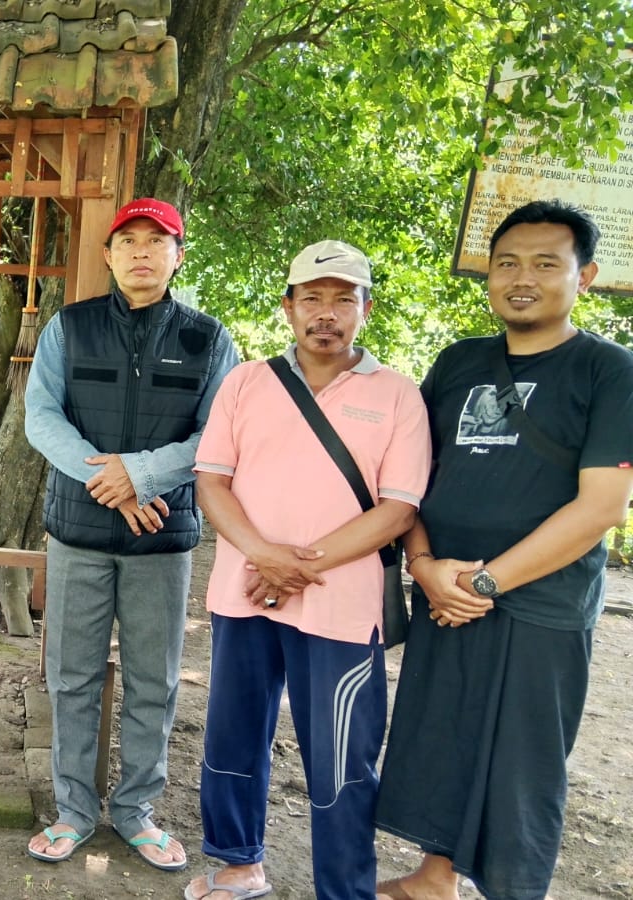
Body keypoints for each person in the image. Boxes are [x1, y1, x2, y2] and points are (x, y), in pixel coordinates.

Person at [374, 200, 633, 900]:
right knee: (443, 736)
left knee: (523, 762)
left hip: (540, 601)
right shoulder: (460, 362)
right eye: (508, 263)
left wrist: (482, 585)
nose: (523, 278)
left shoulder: (609, 370)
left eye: (547, 264)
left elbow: (602, 507)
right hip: (444, 589)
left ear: (585, 277)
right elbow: (410, 477)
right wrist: (426, 568)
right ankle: (435, 878)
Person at [184, 242, 431, 900]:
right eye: (312, 299)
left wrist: (294, 565)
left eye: (343, 299)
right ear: (288, 307)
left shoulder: (398, 395)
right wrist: (262, 555)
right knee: (234, 732)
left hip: (342, 606)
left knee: (341, 756)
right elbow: (211, 481)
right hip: (244, 593)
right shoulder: (247, 382)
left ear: (365, 309)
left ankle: (344, 889)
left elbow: (399, 508)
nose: (327, 313)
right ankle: (237, 863)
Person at [23, 198, 239, 868]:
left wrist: (141, 476)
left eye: (157, 240)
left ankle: (136, 810)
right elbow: (41, 416)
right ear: (109, 255)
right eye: (128, 241)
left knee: (155, 680)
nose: (141, 252)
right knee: (71, 677)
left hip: (161, 539)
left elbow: (219, 436)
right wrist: (114, 483)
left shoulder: (209, 339)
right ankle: (73, 810)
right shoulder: (70, 327)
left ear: (179, 255)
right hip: (79, 533)